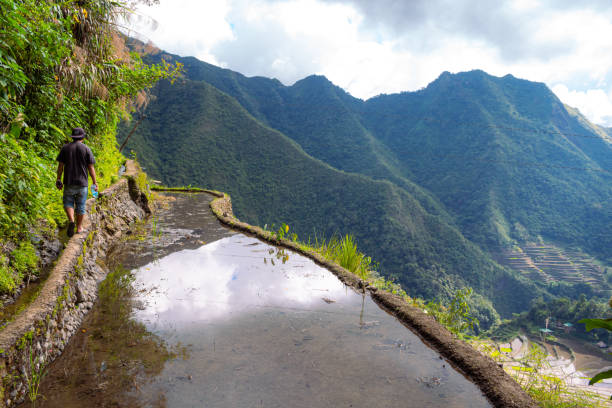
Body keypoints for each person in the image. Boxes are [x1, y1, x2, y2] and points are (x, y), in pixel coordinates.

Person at [55, 127, 98, 237]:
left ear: (73, 137)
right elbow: (91, 167)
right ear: (82, 138)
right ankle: (79, 227)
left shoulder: (65, 148)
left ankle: (71, 221)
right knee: (81, 206)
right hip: (82, 183)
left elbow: (60, 166)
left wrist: (58, 178)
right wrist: (94, 182)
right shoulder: (86, 149)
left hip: (69, 182)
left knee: (68, 203)